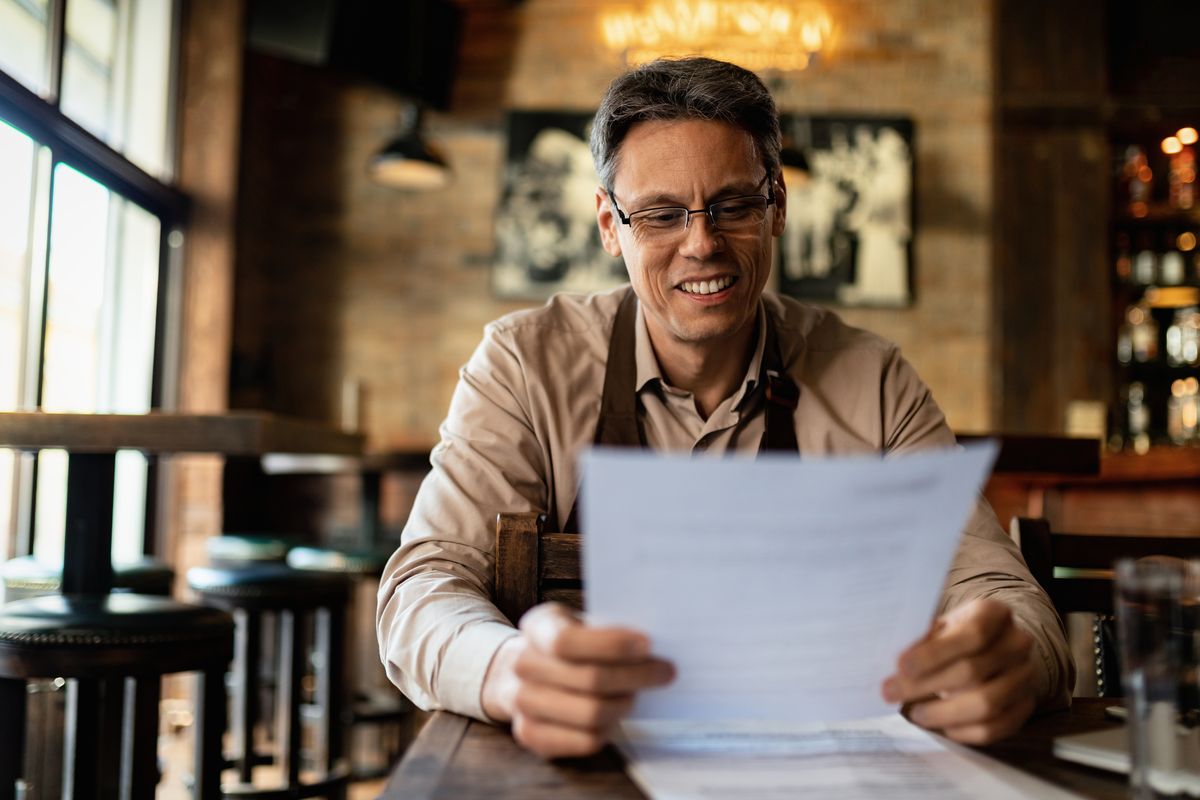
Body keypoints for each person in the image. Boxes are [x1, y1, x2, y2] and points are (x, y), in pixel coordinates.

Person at [377, 57, 1073, 760]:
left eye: (732, 205)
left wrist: (1011, 658)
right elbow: (423, 585)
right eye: (659, 213)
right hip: (596, 768)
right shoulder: (524, 365)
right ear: (609, 225)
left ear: (776, 208)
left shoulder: (875, 380)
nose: (701, 243)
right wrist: (508, 671)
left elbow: (993, 584)